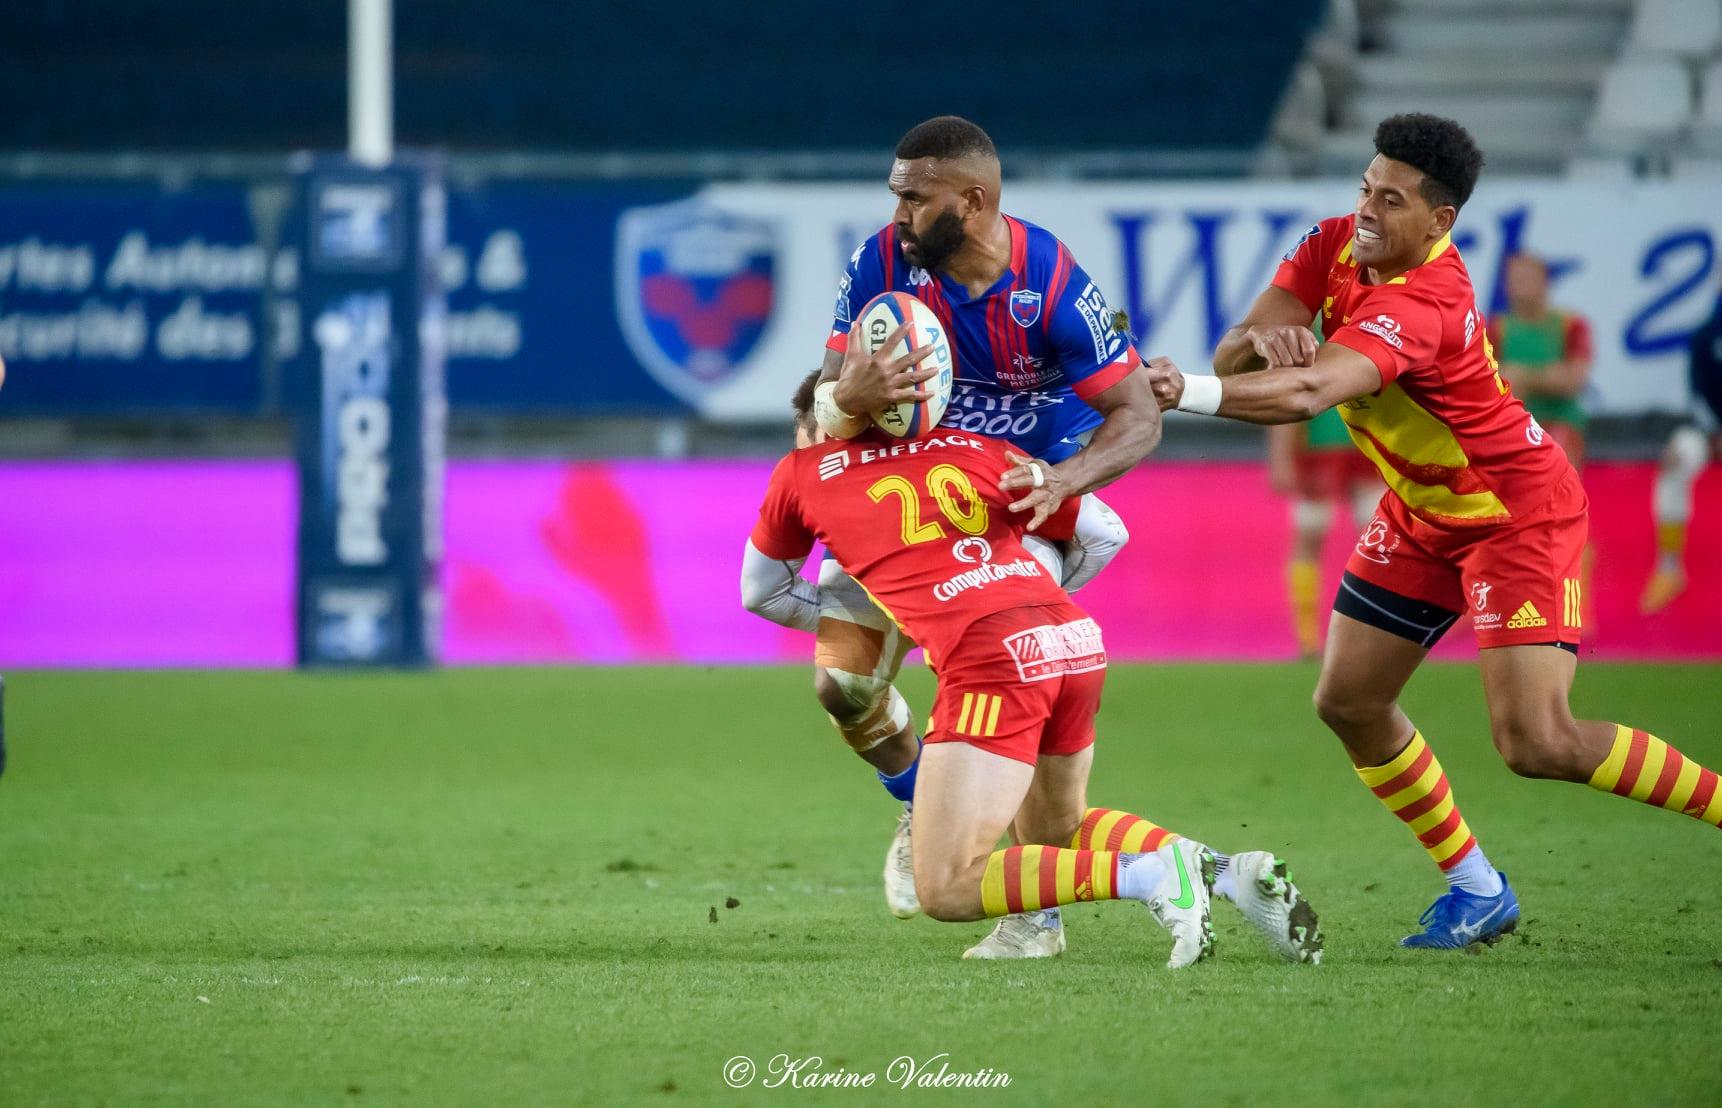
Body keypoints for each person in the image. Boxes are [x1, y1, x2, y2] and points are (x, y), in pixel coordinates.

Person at [1145, 113, 1722, 950]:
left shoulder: (1429, 304)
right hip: (1421, 512)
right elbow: (1241, 348)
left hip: (1512, 511)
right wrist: (1258, 347)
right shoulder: (1334, 242)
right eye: (1366, 189)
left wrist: (1187, 390)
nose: (1368, 212)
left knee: (1538, 740)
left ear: (1439, 222)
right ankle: (1477, 888)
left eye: (1392, 201)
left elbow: (1312, 395)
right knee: (1348, 701)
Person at [741, 370, 1324, 967]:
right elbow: (1103, 531)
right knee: (1056, 828)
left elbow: (759, 594)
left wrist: (904, 619)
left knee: (944, 884)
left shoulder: (805, 472)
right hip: (1073, 638)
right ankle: (1230, 873)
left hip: (990, 659)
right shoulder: (978, 446)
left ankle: (1154, 875)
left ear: (827, 419)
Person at [804, 115, 1160, 954]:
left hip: (1016, 505)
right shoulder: (881, 264)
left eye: (914, 198)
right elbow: (825, 403)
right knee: (840, 690)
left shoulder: (1057, 286)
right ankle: (920, 797)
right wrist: (848, 397)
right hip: (913, 498)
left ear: (972, 200)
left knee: (989, 684)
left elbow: (1138, 413)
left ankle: (1034, 920)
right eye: (894, 194)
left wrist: (1066, 480)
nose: (896, 213)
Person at [1269, 406, 1380, 660]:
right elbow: (1286, 394)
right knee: (1313, 531)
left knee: (1376, 542)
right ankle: (1308, 640)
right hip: (1320, 446)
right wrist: (1281, 457)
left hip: (1365, 443)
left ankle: (1373, 635)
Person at [1640, 280, 1722, 614]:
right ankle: (1670, 567)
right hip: (1709, 429)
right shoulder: (1707, 334)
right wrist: (1713, 431)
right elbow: (1698, 393)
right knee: (1676, 458)